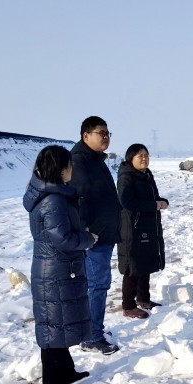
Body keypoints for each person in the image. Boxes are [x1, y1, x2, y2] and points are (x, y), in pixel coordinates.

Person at [23, 145, 97, 384]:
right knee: (53, 328)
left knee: (59, 325)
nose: (71, 169)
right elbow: (62, 238)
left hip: (57, 268)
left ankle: (66, 372)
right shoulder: (53, 201)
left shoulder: (54, 195)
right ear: (60, 168)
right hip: (54, 271)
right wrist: (88, 238)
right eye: (69, 164)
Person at [69, 116, 122, 355]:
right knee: (97, 285)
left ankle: (93, 330)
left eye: (108, 133)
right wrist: (85, 231)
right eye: (101, 133)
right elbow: (78, 198)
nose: (106, 137)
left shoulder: (94, 159)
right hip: (95, 236)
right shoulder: (80, 161)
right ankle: (92, 336)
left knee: (98, 284)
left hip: (103, 232)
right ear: (85, 135)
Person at [117, 144, 168, 319]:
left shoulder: (145, 175)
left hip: (145, 226)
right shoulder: (127, 177)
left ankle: (144, 299)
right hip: (132, 228)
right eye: (140, 156)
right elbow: (127, 202)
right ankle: (128, 305)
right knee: (132, 266)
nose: (144, 158)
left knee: (144, 262)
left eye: (146, 155)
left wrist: (161, 201)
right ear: (130, 158)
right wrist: (154, 205)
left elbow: (150, 198)